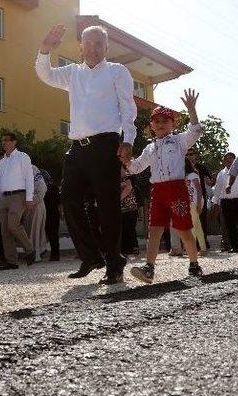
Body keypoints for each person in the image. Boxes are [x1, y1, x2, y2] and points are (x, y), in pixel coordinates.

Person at [36, 24, 136, 284]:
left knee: (108, 207)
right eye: (87, 43)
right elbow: (45, 74)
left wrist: (129, 140)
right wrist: (45, 49)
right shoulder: (72, 73)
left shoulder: (117, 71)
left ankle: (115, 263)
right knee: (67, 198)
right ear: (80, 46)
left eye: (98, 44)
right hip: (77, 149)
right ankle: (91, 256)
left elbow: (128, 107)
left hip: (106, 145)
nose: (92, 48)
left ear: (106, 48)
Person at [125, 89, 203, 284]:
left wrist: (192, 110)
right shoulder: (150, 148)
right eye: (156, 121)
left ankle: (194, 263)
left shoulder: (179, 141)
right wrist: (126, 160)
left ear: (173, 124)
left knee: (184, 229)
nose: (160, 124)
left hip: (176, 189)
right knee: (154, 231)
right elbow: (136, 168)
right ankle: (149, 269)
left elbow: (195, 130)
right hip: (158, 192)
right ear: (151, 125)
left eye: (164, 121)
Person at [0, 133, 36, 270]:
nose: (3, 143)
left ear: (14, 142)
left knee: (13, 225)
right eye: (2, 140)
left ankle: (29, 249)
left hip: (18, 196)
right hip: (4, 198)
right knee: (4, 231)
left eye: (6, 140)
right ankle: (12, 261)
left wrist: (29, 198)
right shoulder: (2, 161)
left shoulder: (23, 157)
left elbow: (29, 178)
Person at [213, 152, 238, 253]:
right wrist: (215, 202)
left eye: (230, 158)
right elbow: (217, 189)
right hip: (226, 202)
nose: (228, 161)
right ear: (223, 161)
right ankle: (235, 247)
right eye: (226, 159)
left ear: (234, 160)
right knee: (230, 226)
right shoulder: (221, 174)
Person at [186, 148, 212, 248]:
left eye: (191, 154)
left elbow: (210, 181)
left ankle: (202, 243)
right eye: (187, 154)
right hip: (188, 199)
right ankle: (193, 245)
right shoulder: (183, 168)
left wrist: (209, 181)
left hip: (200, 198)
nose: (189, 156)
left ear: (196, 155)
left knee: (201, 221)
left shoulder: (201, 167)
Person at [23, 165, 48, 262]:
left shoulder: (32, 169)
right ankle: (32, 253)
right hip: (27, 206)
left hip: (36, 205)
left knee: (35, 230)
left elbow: (42, 188)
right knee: (29, 230)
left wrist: (32, 201)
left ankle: (36, 254)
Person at [185, 158, 207, 255]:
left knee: (192, 226)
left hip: (193, 203)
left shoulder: (193, 175)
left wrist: (199, 204)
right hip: (188, 203)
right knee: (197, 226)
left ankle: (192, 249)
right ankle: (203, 248)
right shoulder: (186, 176)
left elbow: (199, 190)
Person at [39, 168, 61, 261]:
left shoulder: (43, 188)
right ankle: (55, 255)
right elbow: (59, 201)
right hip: (54, 213)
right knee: (53, 235)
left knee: (50, 234)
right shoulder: (54, 186)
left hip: (47, 213)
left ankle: (53, 255)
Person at [120, 167, 140, 256]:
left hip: (130, 207)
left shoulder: (128, 176)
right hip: (122, 208)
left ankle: (133, 248)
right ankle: (127, 249)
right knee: (124, 228)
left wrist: (118, 199)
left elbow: (128, 188)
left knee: (130, 228)